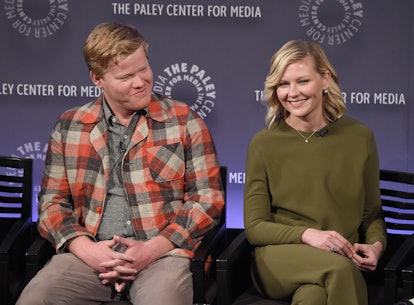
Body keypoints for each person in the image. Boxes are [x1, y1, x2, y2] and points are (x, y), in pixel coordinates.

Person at [17, 22, 224, 305]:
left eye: (144, 69)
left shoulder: (183, 120)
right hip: (90, 256)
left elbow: (207, 199)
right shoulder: (70, 126)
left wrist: (151, 250)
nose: (140, 81)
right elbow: (52, 203)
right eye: (126, 76)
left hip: (162, 255)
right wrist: (87, 249)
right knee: (36, 298)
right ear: (97, 79)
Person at [243, 40, 387, 305]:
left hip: (340, 255)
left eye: (303, 81)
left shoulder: (359, 137)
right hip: (280, 258)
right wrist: (307, 234)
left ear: (325, 80)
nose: (292, 93)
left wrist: (376, 245)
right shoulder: (263, 143)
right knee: (340, 270)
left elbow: (372, 213)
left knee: (313, 297)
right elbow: (254, 228)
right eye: (283, 84)